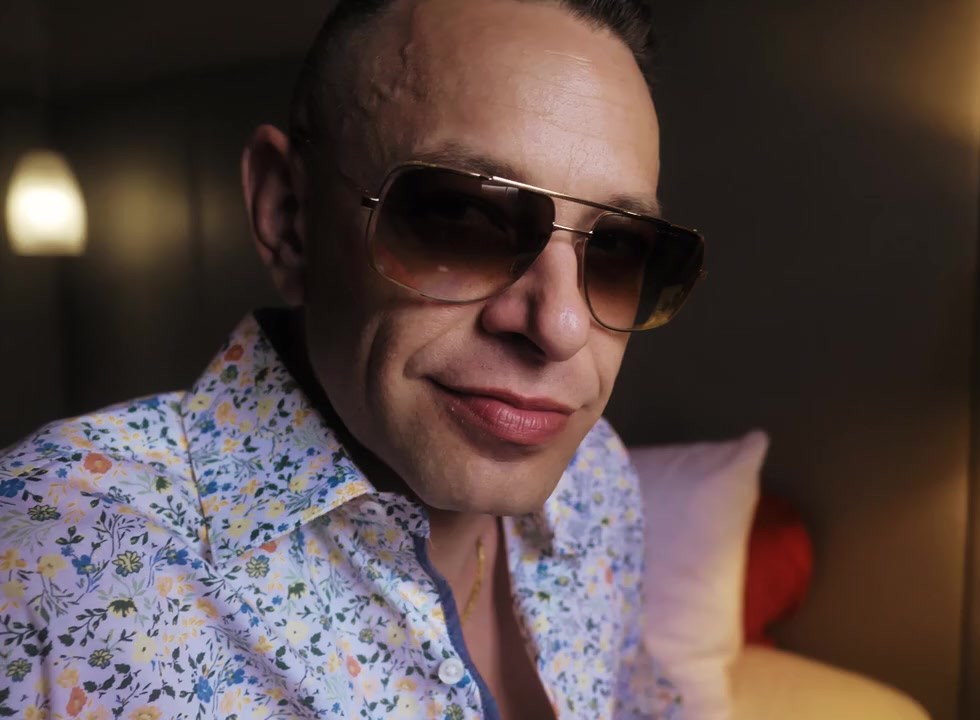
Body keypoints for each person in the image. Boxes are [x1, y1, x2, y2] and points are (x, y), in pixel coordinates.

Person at [0, 0, 706, 717]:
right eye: (461, 218)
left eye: (619, 248)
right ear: (287, 214)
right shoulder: (41, 560)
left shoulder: (596, 477)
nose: (560, 326)